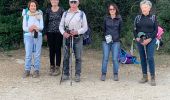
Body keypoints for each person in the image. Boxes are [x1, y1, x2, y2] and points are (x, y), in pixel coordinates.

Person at [59, 0, 88, 82]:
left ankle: (77, 75)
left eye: (75, 2)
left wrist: (77, 32)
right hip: (67, 37)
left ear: (78, 3)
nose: (73, 4)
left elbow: (85, 27)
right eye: (71, 2)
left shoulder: (82, 13)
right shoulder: (65, 13)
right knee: (66, 56)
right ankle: (65, 74)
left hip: (78, 38)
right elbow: (60, 26)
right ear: (69, 3)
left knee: (78, 57)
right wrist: (64, 33)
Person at [133, 0, 158, 86]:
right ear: (141, 8)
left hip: (151, 39)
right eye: (142, 7)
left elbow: (156, 30)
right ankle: (144, 76)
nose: (144, 8)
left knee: (150, 57)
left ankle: (153, 77)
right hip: (140, 40)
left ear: (149, 8)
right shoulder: (137, 18)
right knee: (142, 58)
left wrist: (149, 39)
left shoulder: (153, 17)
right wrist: (137, 38)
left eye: (146, 7)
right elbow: (134, 29)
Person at [101, 3, 122, 81]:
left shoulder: (119, 19)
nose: (112, 10)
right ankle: (103, 74)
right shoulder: (106, 18)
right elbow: (103, 29)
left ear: (116, 10)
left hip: (116, 42)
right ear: (108, 10)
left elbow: (120, 30)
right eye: (110, 9)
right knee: (105, 58)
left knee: (115, 59)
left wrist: (116, 37)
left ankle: (115, 74)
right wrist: (106, 37)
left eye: (113, 9)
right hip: (106, 41)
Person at [22, 0, 44, 78]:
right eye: (31, 6)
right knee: (28, 54)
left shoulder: (39, 14)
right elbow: (24, 28)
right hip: (28, 36)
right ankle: (27, 70)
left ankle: (36, 70)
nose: (33, 7)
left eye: (34, 6)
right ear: (29, 7)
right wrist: (30, 28)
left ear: (36, 7)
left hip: (38, 35)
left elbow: (42, 26)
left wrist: (37, 28)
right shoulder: (26, 15)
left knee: (37, 54)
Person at [44, 0, 64, 76]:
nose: (54, 1)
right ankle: (52, 66)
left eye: (55, 0)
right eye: (52, 0)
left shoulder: (62, 10)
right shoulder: (48, 10)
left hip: (59, 33)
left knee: (58, 49)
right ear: (50, 1)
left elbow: (64, 22)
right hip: (49, 33)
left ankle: (58, 67)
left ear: (58, 1)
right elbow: (45, 22)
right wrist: (45, 33)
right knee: (51, 50)